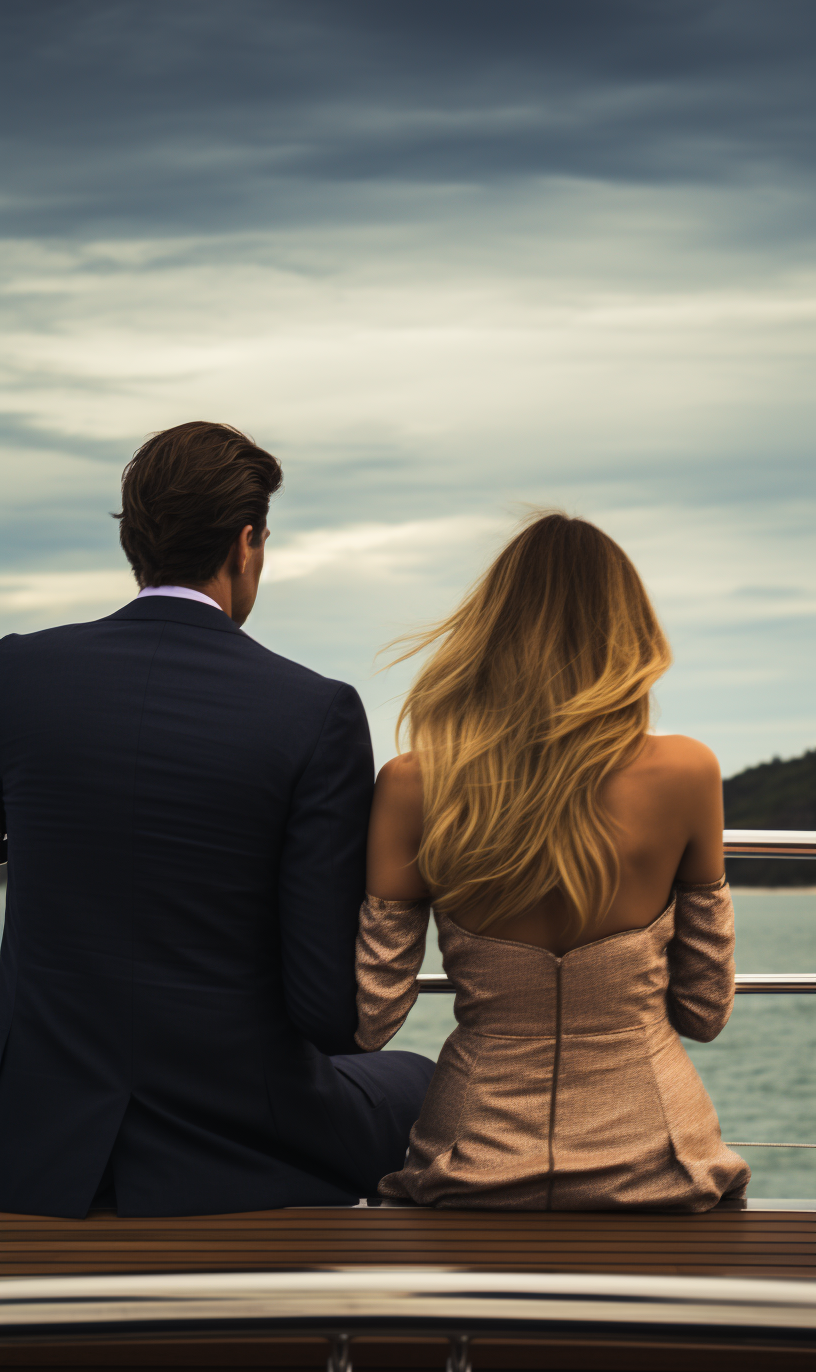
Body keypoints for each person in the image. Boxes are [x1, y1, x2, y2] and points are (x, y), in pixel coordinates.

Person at [0, 421, 433, 1218]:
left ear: (136, 543)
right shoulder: (314, 712)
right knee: (419, 1081)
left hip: (39, 1141)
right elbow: (328, 1016)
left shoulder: (18, 675)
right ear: (246, 543)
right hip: (242, 1146)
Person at [355, 512, 750, 1210]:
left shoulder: (414, 784)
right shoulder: (689, 771)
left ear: (490, 630)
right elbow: (704, 1009)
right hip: (658, 1165)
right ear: (630, 634)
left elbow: (373, 1018)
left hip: (469, 1164)